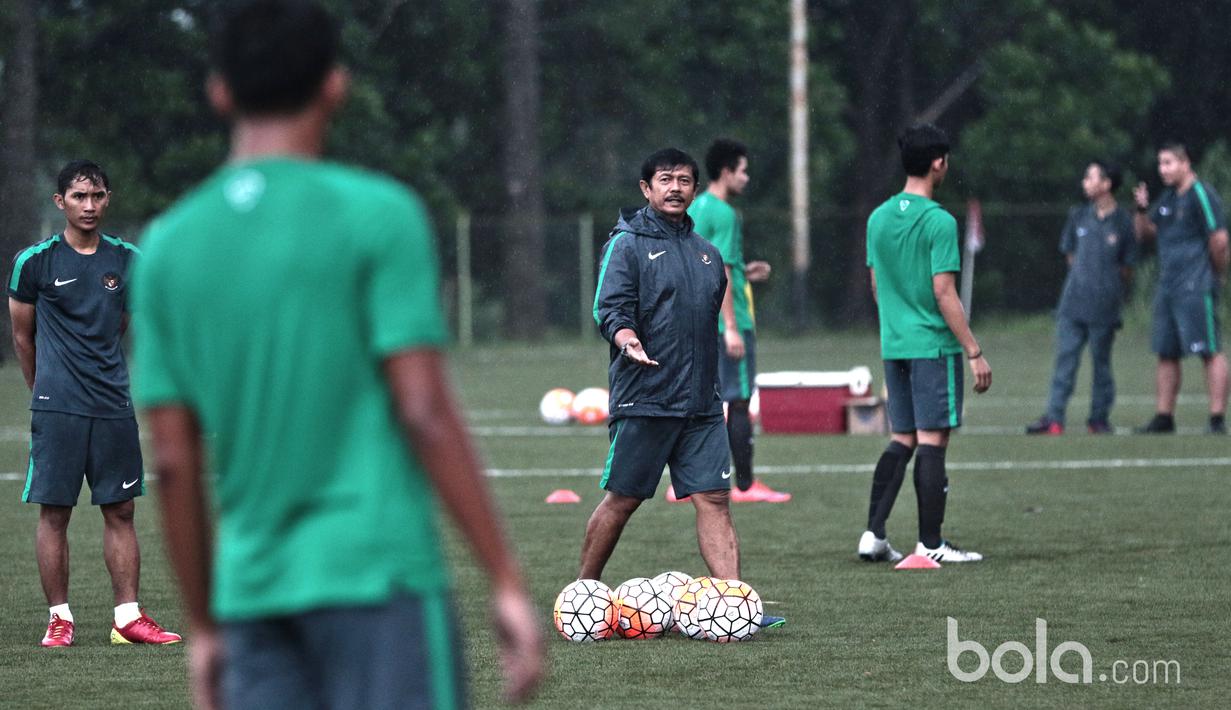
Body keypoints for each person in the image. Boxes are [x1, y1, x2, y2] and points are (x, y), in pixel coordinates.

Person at [129, 2, 541, 708]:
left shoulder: (167, 247)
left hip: (253, 597)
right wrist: (503, 577)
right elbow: (422, 410)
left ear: (219, 92)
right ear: (335, 84)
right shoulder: (378, 215)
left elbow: (171, 461)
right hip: (380, 581)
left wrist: (202, 627)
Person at [583, 147, 783, 627]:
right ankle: (583, 593)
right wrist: (627, 339)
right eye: (665, 179)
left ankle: (738, 607)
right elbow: (608, 309)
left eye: (685, 181)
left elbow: (706, 314)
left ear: (695, 189)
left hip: (701, 404)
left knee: (714, 498)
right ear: (646, 189)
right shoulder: (626, 244)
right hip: (646, 398)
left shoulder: (707, 254)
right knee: (624, 498)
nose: (675, 188)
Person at [8, 160, 181, 648]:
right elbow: (23, 336)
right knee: (55, 512)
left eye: (98, 196)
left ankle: (127, 618)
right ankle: (59, 619)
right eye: (79, 197)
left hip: (112, 405)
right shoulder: (35, 262)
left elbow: (122, 323)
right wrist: (43, 389)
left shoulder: (129, 260)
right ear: (59, 201)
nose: (89, 205)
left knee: (121, 509)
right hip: (57, 406)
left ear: (108, 199)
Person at [858, 124, 991, 564]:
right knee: (933, 441)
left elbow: (877, 286)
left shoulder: (877, 217)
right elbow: (944, 292)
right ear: (938, 163)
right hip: (933, 347)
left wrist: (898, 323)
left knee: (902, 438)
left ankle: (873, 535)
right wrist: (973, 350)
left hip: (894, 346)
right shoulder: (938, 220)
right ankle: (931, 544)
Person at [685, 138, 789, 503]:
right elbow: (721, 270)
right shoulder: (726, 213)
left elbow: (703, 263)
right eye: (742, 170)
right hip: (729, 321)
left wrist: (746, 271)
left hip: (698, 321)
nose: (746, 177)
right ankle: (746, 485)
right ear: (726, 172)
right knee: (740, 399)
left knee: (702, 402)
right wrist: (730, 326)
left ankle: (688, 478)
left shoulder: (697, 207)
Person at [1026, 161, 1137, 435]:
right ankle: (1054, 418)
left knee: (1101, 365)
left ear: (1106, 184)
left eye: (1091, 177)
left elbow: (1127, 267)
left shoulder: (1123, 221)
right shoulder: (1078, 216)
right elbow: (1070, 254)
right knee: (1065, 361)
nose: (1085, 182)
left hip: (1105, 308)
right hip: (1073, 303)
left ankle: (1098, 419)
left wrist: (1107, 286)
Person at [1133, 143, 1229, 434]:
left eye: (1169, 163)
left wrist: (1215, 273)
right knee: (1166, 352)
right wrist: (1140, 208)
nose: (1163, 169)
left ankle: (1216, 418)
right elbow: (1146, 233)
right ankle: (1164, 416)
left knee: (1209, 351)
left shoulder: (1201, 194)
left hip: (1195, 285)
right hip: (1168, 286)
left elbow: (1220, 239)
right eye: (1160, 164)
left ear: (1185, 163)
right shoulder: (1168, 198)